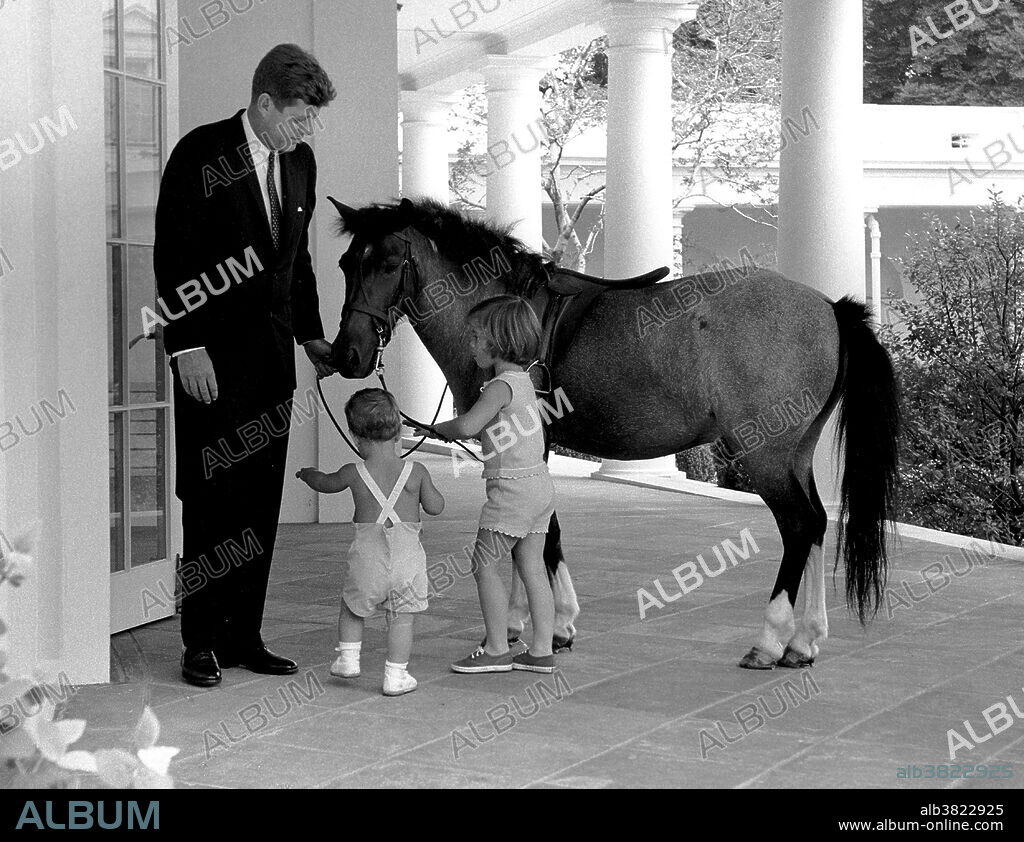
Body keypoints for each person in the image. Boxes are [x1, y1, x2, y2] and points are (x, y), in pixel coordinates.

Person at [154, 44, 337, 687]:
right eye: (297, 118)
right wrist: (185, 345)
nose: (306, 131)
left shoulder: (301, 163)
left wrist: (313, 336)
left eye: (311, 121)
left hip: (272, 365)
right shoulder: (200, 154)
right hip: (210, 362)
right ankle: (200, 640)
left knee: (259, 498)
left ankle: (243, 636)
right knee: (211, 499)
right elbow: (173, 257)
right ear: (263, 104)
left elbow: (298, 259)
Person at [417, 296, 556, 674]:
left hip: (511, 491)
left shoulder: (499, 385)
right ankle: (542, 649)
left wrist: (430, 429)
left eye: (476, 337)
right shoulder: (525, 381)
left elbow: (467, 426)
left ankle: (496, 648)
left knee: (484, 565)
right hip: (538, 487)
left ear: (499, 340)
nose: (470, 344)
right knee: (532, 567)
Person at [296, 389, 444, 696]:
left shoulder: (353, 473)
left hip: (367, 561)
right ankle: (396, 675)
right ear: (398, 430)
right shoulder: (416, 471)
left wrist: (309, 474)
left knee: (352, 608)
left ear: (356, 437)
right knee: (402, 618)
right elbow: (435, 506)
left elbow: (325, 484)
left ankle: (349, 658)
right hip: (408, 564)